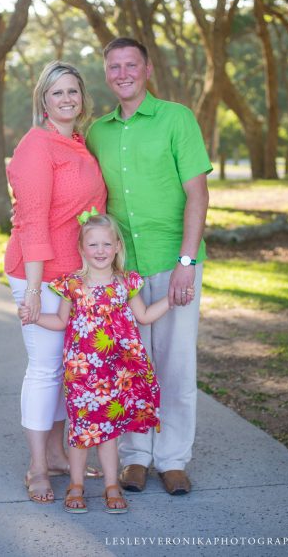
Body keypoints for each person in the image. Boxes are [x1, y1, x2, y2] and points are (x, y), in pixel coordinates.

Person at [86, 38, 212, 496]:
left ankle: (173, 459)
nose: (123, 73)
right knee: (131, 366)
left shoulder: (176, 118)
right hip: (123, 272)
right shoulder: (97, 131)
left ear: (147, 69)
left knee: (175, 366)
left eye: (130, 65)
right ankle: (137, 457)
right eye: (114, 66)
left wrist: (186, 261)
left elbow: (198, 195)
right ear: (106, 73)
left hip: (172, 260)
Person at [4, 60, 107, 504]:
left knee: (68, 370)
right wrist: (31, 290)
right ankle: (37, 467)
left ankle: (61, 454)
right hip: (39, 274)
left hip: (74, 275)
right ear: (42, 100)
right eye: (57, 92)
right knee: (45, 369)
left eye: (73, 92)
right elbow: (31, 221)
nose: (67, 99)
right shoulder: (36, 146)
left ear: (82, 98)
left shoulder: (78, 144)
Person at [21, 212, 171, 513]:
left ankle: (111, 485)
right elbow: (62, 321)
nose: (100, 250)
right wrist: (35, 317)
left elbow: (143, 316)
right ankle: (76, 485)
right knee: (81, 430)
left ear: (117, 246)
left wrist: (173, 300)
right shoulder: (72, 284)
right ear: (82, 248)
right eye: (93, 244)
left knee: (110, 430)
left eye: (106, 243)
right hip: (83, 373)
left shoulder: (126, 282)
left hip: (117, 372)